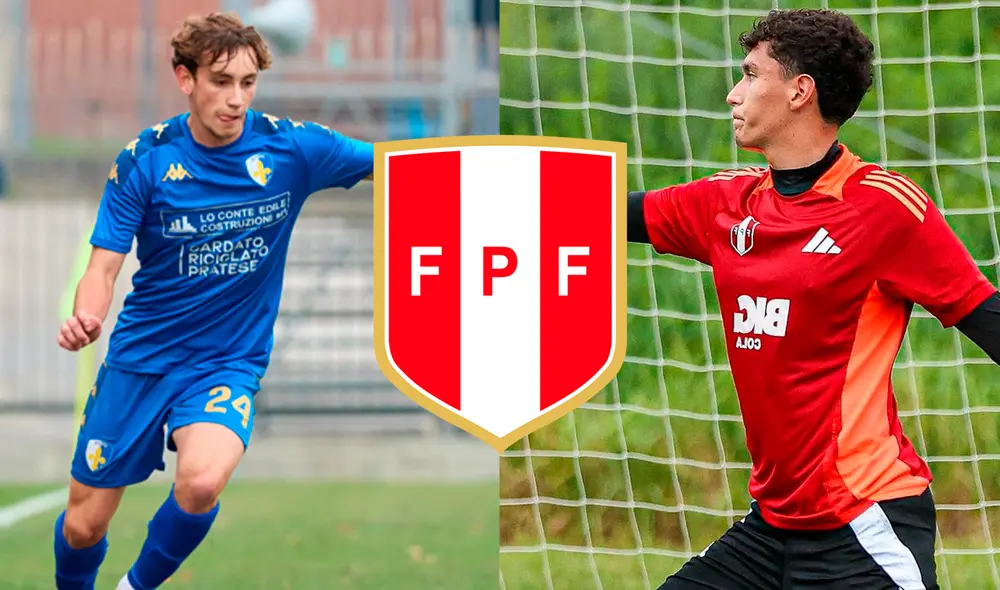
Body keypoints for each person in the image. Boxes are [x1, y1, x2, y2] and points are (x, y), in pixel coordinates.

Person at [627, 8, 1000, 590]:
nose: (733, 94)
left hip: (862, 521)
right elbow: (599, 212)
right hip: (771, 526)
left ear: (800, 91)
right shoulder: (725, 203)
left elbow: (988, 319)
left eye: (750, 75)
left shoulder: (882, 207)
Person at [53, 12, 373, 590]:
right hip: (141, 359)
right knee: (83, 526)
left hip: (227, 362)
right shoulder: (144, 160)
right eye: (221, 82)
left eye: (247, 84)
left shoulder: (292, 149)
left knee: (201, 482)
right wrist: (88, 314)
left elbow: (399, 165)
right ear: (185, 79)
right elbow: (103, 265)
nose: (236, 99)